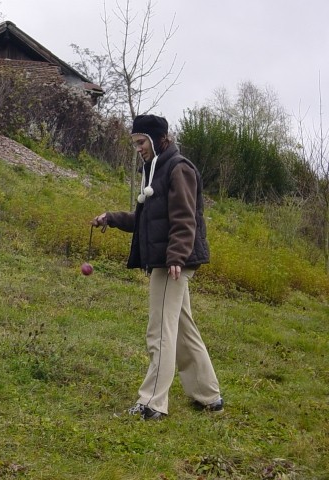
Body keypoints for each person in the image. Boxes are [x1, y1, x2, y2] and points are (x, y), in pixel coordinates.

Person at [92, 114, 223, 421]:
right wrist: (111, 218)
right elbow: (146, 222)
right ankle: (209, 395)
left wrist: (176, 256)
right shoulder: (155, 171)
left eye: (141, 142)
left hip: (172, 262)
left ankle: (152, 404)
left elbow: (185, 218)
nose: (137, 148)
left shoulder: (179, 169)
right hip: (171, 259)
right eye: (135, 143)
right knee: (182, 327)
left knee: (159, 332)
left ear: (158, 139)